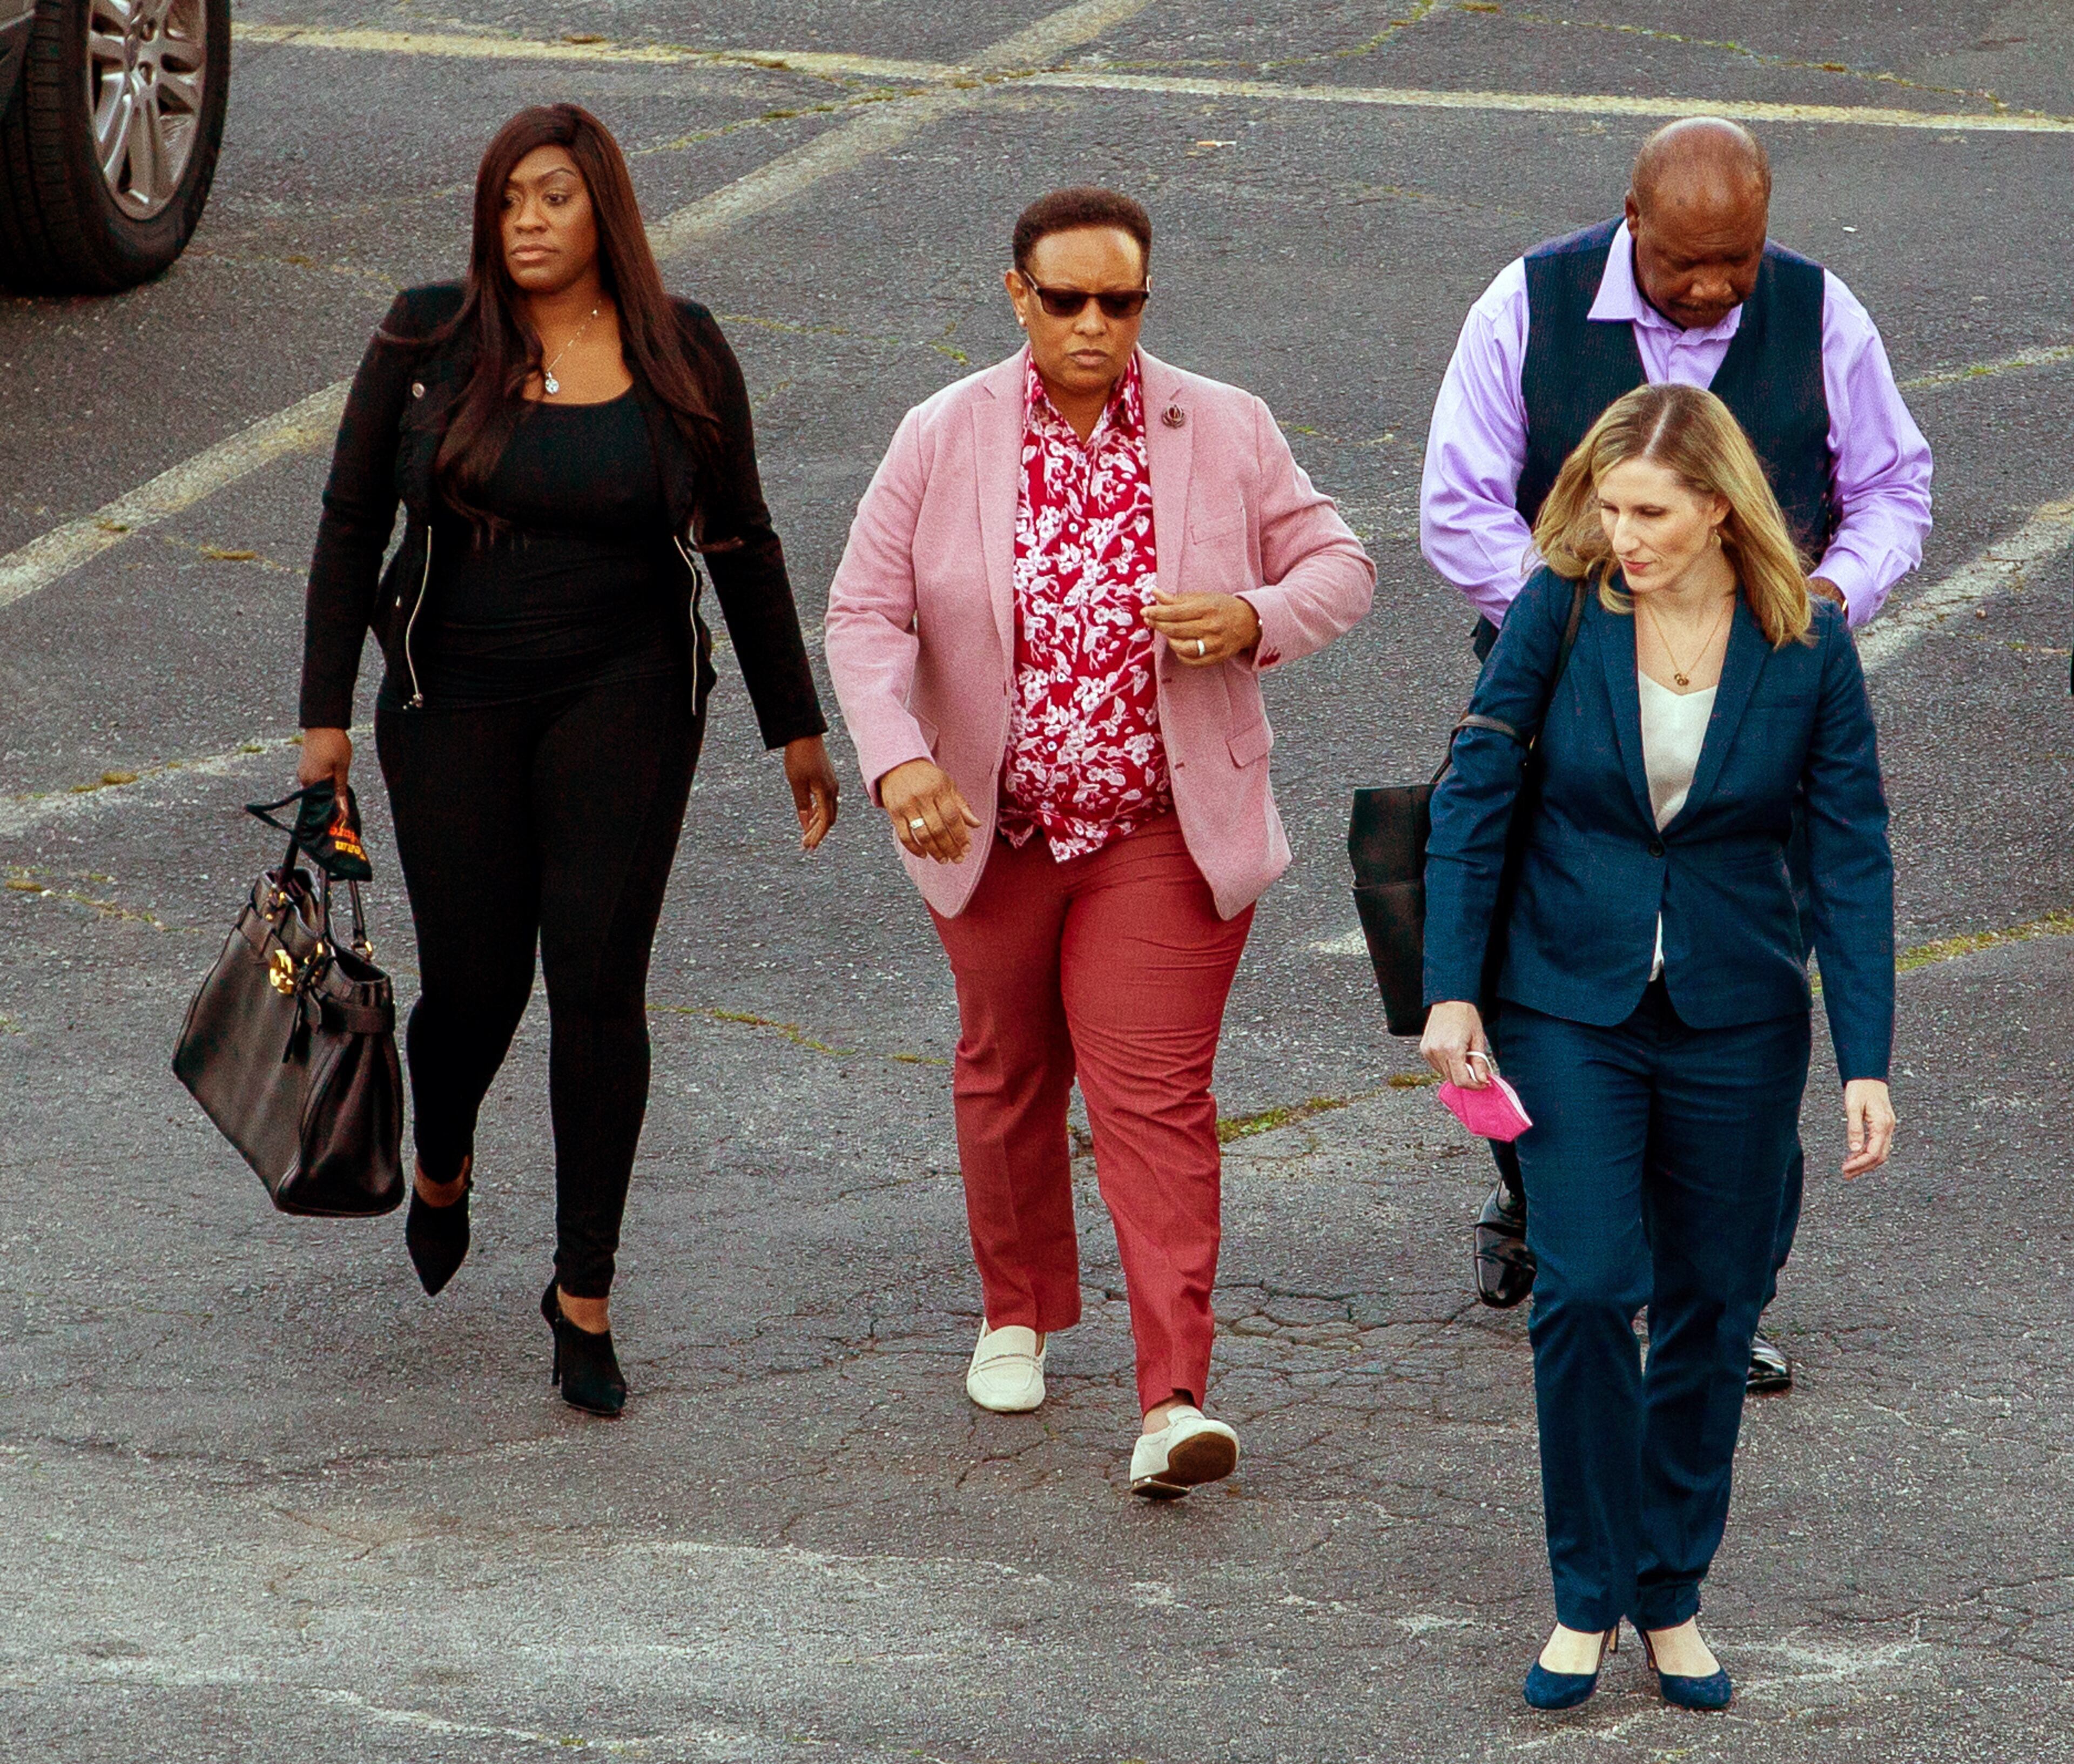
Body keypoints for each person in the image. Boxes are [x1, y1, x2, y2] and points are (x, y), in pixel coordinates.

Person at [824, 187, 1373, 1497]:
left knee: (1153, 1101)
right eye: (1063, 299)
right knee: (1009, 1067)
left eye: (1116, 302)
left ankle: (1174, 1396)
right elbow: (862, 614)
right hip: (993, 824)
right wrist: (901, 761)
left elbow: (1340, 564)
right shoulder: (944, 431)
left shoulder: (1223, 426)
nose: (1090, 324)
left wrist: (1250, 616)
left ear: (1144, 302)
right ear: (1016, 295)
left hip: (1159, 832)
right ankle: (1017, 1307)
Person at [295, 104, 840, 1417]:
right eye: (505, 203)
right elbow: (349, 521)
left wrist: (797, 729)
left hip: (630, 697)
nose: (525, 224)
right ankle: (442, 1153)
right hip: (450, 698)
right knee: (474, 986)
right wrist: (322, 726)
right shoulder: (427, 337)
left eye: (552, 199)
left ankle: (582, 1294)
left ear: (605, 212)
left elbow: (744, 543)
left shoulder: (681, 348)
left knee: (599, 976)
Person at [1419, 117, 1930, 1390]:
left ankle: (1724, 1285)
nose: (1715, 289)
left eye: (1740, 261)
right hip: (1561, 689)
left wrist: (1799, 614)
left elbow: (1894, 490)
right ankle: (1556, 1211)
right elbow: (1457, 502)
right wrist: (1587, 618)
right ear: (1631, 221)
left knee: (1743, 971)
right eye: (1689, 262)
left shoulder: (1820, 311)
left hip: (1759, 686)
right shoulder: (1523, 304)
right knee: (1552, 958)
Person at [1421, 381, 1895, 1710]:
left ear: (1720, 508)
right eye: (1608, 506)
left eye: (1651, 512)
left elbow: (1849, 853)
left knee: (1713, 1302)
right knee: (1582, 1287)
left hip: (1739, 1017)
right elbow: (1475, 795)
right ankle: (1585, 1596)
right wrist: (1452, 990)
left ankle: (1669, 1591)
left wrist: (1867, 1055)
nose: (1620, 534)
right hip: (1566, 1002)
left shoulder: (1805, 642)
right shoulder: (1560, 610)